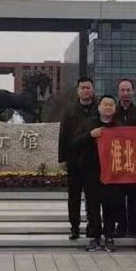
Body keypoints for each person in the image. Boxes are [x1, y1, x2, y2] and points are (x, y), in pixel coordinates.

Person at [73, 95, 124, 252]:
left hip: (112, 172)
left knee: (111, 204)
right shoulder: (89, 124)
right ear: (99, 107)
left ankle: (109, 236)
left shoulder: (119, 126)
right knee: (92, 205)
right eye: (105, 104)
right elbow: (75, 142)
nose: (108, 107)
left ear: (115, 108)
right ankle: (94, 236)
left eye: (111, 104)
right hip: (92, 172)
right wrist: (90, 135)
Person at [58, 77, 97, 240]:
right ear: (78, 90)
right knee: (74, 196)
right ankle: (74, 226)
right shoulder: (70, 111)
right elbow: (63, 135)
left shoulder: (99, 109)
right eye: (83, 88)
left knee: (92, 196)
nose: (85, 91)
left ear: (93, 90)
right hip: (74, 159)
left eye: (88, 88)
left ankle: (92, 225)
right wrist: (62, 159)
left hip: (94, 160)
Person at [114, 78, 136, 238]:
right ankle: (121, 226)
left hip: (135, 161)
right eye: (122, 90)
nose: (125, 93)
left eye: (128, 90)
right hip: (117, 160)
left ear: (133, 92)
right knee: (118, 197)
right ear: (118, 92)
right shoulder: (112, 111)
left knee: (135, 197)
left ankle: (134, 227)